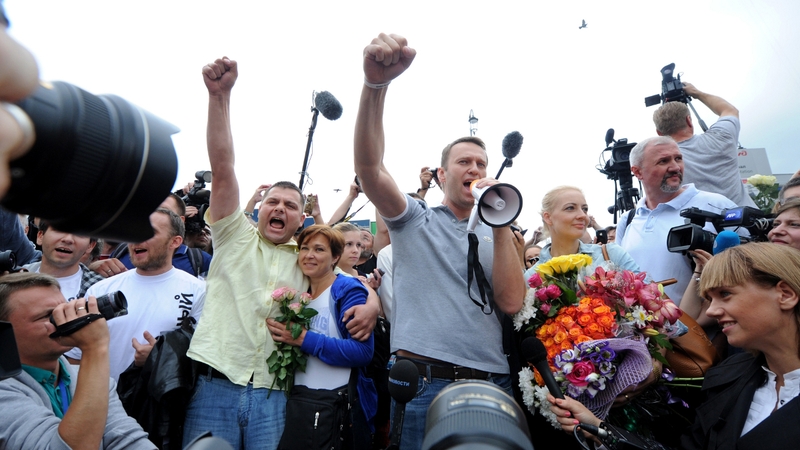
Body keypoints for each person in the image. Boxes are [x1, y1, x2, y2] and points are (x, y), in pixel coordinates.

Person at [182, 56, 378, 450]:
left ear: (301, 217)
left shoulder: (308, 257)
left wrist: (371, 300)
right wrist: (219, 97)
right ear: (259, 208)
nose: (280, 209)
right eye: (274, 201)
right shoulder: (234, 235)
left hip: (275, 393)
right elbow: (223, 167)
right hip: (215, 385)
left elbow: (351, 280)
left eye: (291, 206)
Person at [354, 33, 525, 449]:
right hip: (422, 383)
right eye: (464, 162)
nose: (475, 168)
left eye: (481, 163)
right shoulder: (415, 220)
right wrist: (375, 86)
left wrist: (501, 224)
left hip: (493, 382)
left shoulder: (501, 231)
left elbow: (511, 303)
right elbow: (370, 168)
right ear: (442, 175)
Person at [547, 242, 800, 449]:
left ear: (785, 295)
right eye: (709, 299)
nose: (711, 311)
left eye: (725, 294)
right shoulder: (727, 379)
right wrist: (600, 430)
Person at [0, 272, 155, 449]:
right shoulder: (3, 392)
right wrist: (94, 347)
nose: (65, 320)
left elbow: (125, 439)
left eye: (65, 310)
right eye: (49, 316)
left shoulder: (89, 379)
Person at [266, 225, 376, 449]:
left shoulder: (346, 289)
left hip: (340, 411)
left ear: (335, 257)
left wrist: (303, 339)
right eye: (304, 248)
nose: (309, 255)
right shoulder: (298, 291)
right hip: (301, 407)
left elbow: (363, 352)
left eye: (319, 249)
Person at [65, 208, 206, 381]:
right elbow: (75, 355)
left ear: (175, 242)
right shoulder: (100, 289)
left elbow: (205, 356)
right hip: (103, 400)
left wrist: (162, 357)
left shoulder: (198, 291)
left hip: (164, 403)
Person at [616, 136, 740, 306]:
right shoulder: (627, 219)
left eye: (678, 158)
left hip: (704, 328)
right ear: (637, 172)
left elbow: (747, 269)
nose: (675, 167)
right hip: (647, 331)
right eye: (663, 161)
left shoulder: (716, 204)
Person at [652, 84, 755, 208]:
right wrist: (696, 93)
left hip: (700, 226)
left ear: (659, 133)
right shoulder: (722, 136)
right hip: (745, 221)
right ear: (689, 121)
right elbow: (730, 110)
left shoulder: (660, 162)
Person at [524, 186, 639, 281]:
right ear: (548, 218)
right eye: (570, 208)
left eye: (584, 209)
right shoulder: (532, 277)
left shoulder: (612, 254)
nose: (583, 215)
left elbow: (646, 295)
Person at [22, 221, 103, 300]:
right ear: (40, 236)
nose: (68, 239)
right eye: (59, 229)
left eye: (79, 233)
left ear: (91, 245)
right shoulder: (16, 278)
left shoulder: (102, 290)